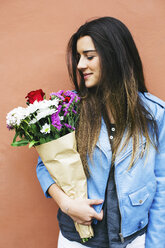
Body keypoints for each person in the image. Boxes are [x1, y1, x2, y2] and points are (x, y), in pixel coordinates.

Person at [36, 17, 165, 248]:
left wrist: (156, 244)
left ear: (114, 56)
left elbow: (162, 184)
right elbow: (45, 165)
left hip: (134, 240)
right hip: (77, 240)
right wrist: (67, 205)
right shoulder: (70, 109)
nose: (79, 65)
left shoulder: (154, 114)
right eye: (79, 57)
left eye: (89, 56)